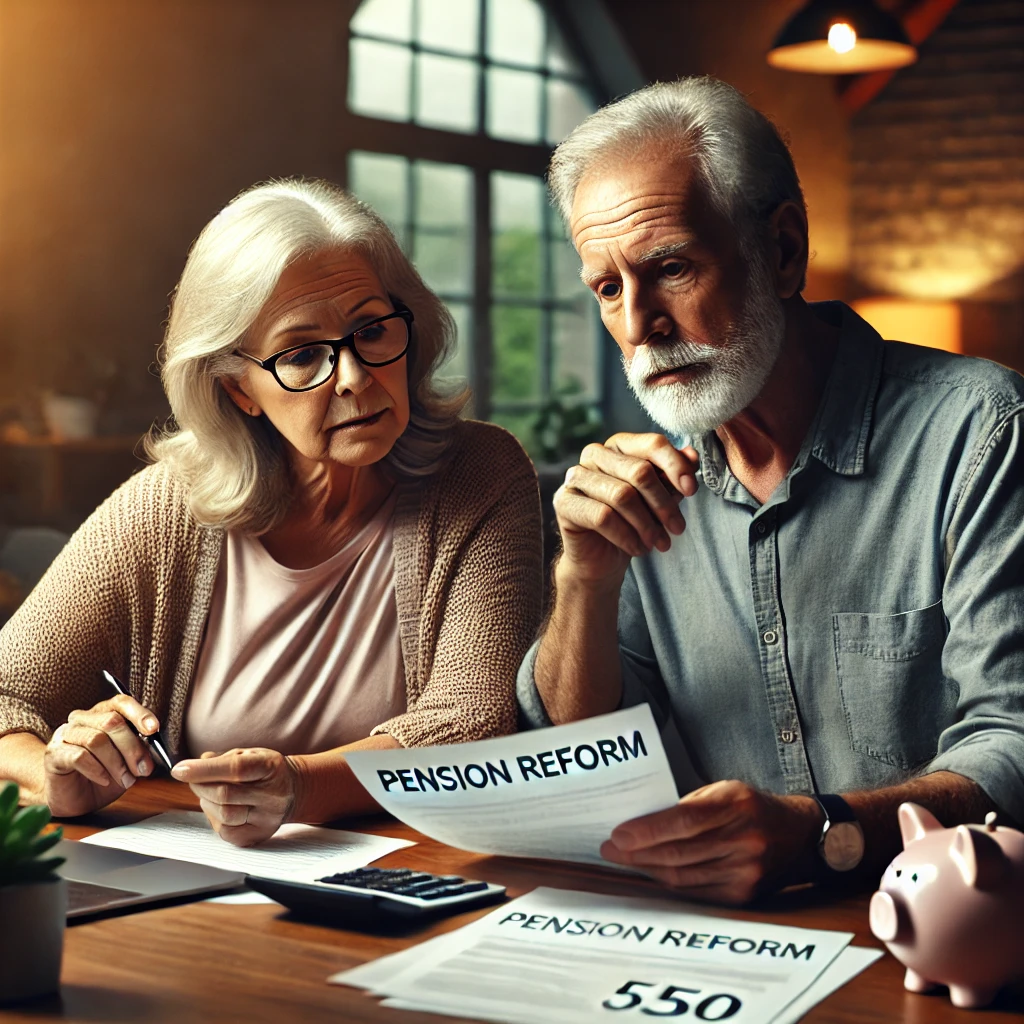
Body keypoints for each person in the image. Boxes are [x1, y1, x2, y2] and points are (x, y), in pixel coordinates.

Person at [517, 77, 1024, 905]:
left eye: (670, 267)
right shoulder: (641, 490)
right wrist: (583, 577)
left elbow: (1016, 743)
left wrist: (822, 834)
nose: (640, 323)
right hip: (719, 944)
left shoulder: (984, 432)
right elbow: (584, 764)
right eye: (608, 288)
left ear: (783, 250)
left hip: (956, 933)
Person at [0, 178, 543, 846]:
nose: (353, 376)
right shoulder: (169, 508)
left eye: (371, 330)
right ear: (239, 390)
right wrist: (52, 776)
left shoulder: (481, 472)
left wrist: (301, 785)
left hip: (423, 882)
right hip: (197, 896)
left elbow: (475, 721)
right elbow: (5, 692)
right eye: (304, 354)